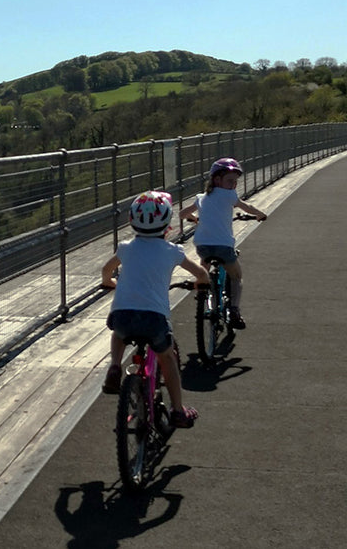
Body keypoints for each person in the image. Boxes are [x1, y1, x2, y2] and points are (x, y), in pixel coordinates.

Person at [100, 190, 209, 428]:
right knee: (167, 358)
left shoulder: (126, 248)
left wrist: (110, 283)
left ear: (131, 221)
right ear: (167, 226)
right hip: (154, 320)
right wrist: (202, 283)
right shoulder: (173, 251)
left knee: (118, 333)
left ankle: (115, 366)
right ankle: (179, 411)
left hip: (123, 315)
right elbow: (201, 273)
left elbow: (106, 271)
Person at [178, 158, 267, 330]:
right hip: (224, 246)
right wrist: (260, 214)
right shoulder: (229, 195)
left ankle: (202, 289)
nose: (233, 185)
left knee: (204, 266)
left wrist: (194, 219)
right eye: (230, 181)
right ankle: (234, 310)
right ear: (217, 180)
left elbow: (182, 214)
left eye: (235, 182)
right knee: (236, 276)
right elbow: (246, 207)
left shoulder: (201, 198)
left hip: (202, 245)